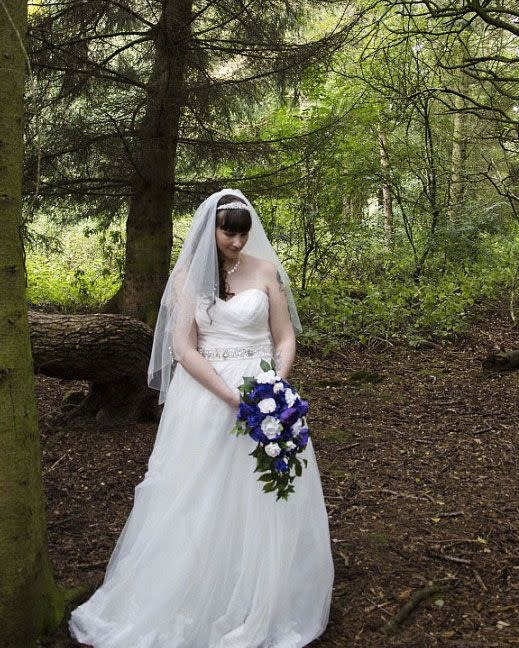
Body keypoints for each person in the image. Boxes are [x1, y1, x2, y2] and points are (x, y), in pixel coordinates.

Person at [69, 189, 334, 647]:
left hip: (266, 396)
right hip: (208, 396)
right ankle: (198, 590)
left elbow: (285, 336)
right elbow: (184, 349)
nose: (236, 240)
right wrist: (232, 397)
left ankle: (264, 594)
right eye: (229, 231)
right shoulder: (188, 280)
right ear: (210, 229)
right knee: (200, 493)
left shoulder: (266, 272)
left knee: (264, 495)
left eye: (243, 232)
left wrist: (274, 384)